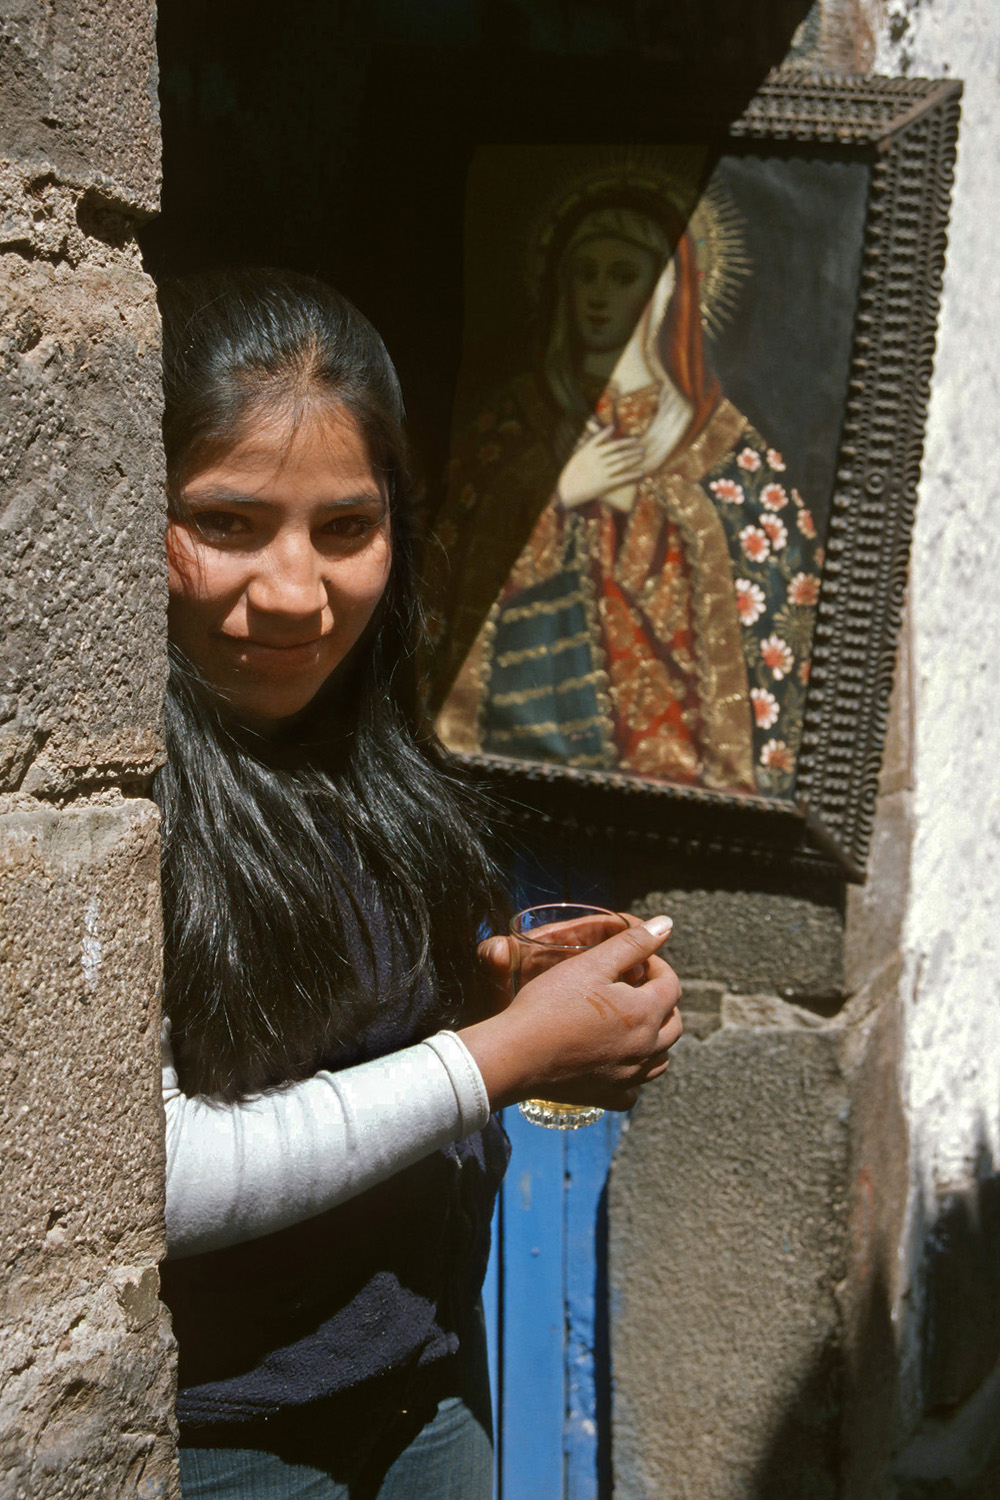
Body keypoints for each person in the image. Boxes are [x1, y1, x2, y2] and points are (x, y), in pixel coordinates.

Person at [155, 267, 683, 1499]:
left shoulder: (361, 758)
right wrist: (497, 1060)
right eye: (226, 522)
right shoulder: (94, 801)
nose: (295, 592)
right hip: (221, 1443)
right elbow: (153, 1173)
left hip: (421, 1396)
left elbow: (323, 1042)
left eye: (346, 528)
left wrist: (493, 995)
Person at [429, 196, 822, 799]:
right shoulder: (514, 420)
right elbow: (445, 564)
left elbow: (773, 564)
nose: (598, 294)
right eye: (585, 272)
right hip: (518, 752)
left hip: (667, 770)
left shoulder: (717, 438)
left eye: (622, 275)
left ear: (665, 290)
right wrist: (554, 494)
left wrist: (635, 505)